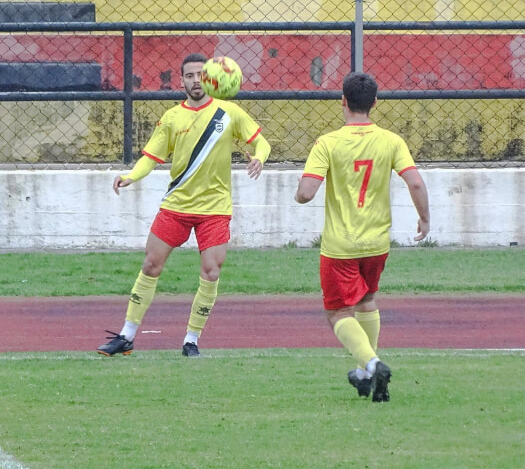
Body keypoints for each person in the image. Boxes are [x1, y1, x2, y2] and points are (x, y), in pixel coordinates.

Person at [97, 53, 271, 357]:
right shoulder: (171, 117)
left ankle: (191, 340)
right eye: (189, 75)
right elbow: (150, 157)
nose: (195, 80)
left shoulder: (228, 112)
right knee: (151, 265)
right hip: (176, 205)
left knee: (211, 271)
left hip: (215, 209)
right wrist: (130, 176)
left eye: (200, 75)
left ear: (210, 78)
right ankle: (126, 336)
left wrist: (259, 157)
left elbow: (261, 142)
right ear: (181, 81)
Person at [294, 72, 430, 402]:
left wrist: (299, 194)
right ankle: (366, 373)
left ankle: (371, 362)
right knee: (367, 301)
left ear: (342, 100)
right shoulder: (392, 141)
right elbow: (415, 183)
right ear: (375, 103)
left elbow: (307, 193)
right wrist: (424, 218)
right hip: (377, 243)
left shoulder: (327, 143)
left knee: (338, 312)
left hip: (340, 246)